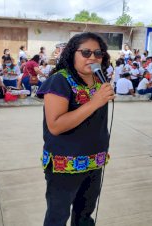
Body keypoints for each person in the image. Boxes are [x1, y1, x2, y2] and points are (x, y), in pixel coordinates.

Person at [36, 32, 114, 226]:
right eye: (86, 52)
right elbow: (55, 126)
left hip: (94, 161)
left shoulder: (99, 80)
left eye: (98, 53)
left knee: (85, 214)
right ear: (72, 54)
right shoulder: (60, 81)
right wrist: (94, 102)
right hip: (66, 163)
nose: (93, 57)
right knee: (58, 216)